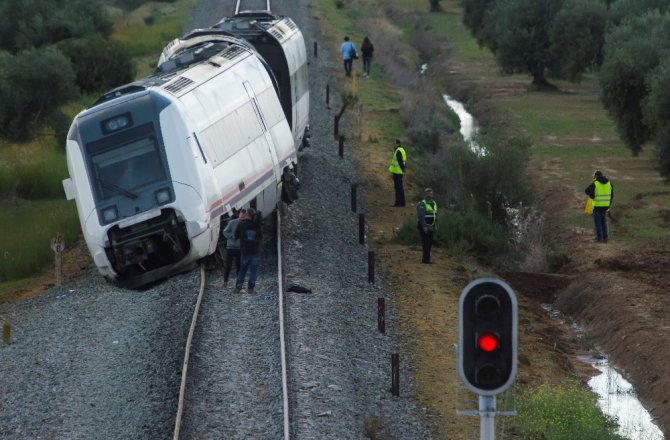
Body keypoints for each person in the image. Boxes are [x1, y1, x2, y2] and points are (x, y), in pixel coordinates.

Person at [234, 207, 262, 293]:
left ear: (246, 214)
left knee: (242, 270)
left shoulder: (241, 224)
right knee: (253, 271)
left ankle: (238, 287)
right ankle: (250, 288)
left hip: (244, 251)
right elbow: (261, 237)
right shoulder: (257, 225)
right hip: (255, 251)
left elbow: (236, 236)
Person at [585, 170, 613, 243]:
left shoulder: (595, 183)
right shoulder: (609, 183)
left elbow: (587, 192)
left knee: (598, 222)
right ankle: (605, 237)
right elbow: (612, 195)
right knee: (603, 221)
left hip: (597, 206)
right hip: (605, 205)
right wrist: (608, 204)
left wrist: (593, 197)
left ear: (596, 176)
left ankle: (599, 238)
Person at [221, 209, 245, 288]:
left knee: (239, 266)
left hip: (240, 248)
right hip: (230, 247)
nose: (242, 216)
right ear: (239, 214)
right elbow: (225, 232)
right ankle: (225, 282)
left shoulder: (246, 223)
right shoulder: (232, 222)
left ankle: (238, 283)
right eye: (241, 214)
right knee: (228, 265)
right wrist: (232, 236)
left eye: (244, 215)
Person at [417, 188, 437, 264]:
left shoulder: (433, 202)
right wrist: (424, 226)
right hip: (425, 227)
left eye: (431, 192)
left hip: (431, 226)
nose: (431, 194)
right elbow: (421, 216)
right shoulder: (422, 203)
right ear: (426, 194)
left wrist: (435, 225)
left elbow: (434, 214)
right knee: (426, 243)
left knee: (430, 243)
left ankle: (427, 258)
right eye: (429, 193)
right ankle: (426, 259)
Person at [388, 139, 407, 207]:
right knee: (400, 187)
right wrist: (403, 169)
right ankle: (402, 202)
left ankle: (398, 203)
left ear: (398, 144)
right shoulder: (401, 150)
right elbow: (403, 161)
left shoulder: (398, 151)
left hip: (397, 172)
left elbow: (400, 162)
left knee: (398, 188)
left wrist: (402, 169)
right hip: (399, 172)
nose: (393, 144)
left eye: (394, 143)